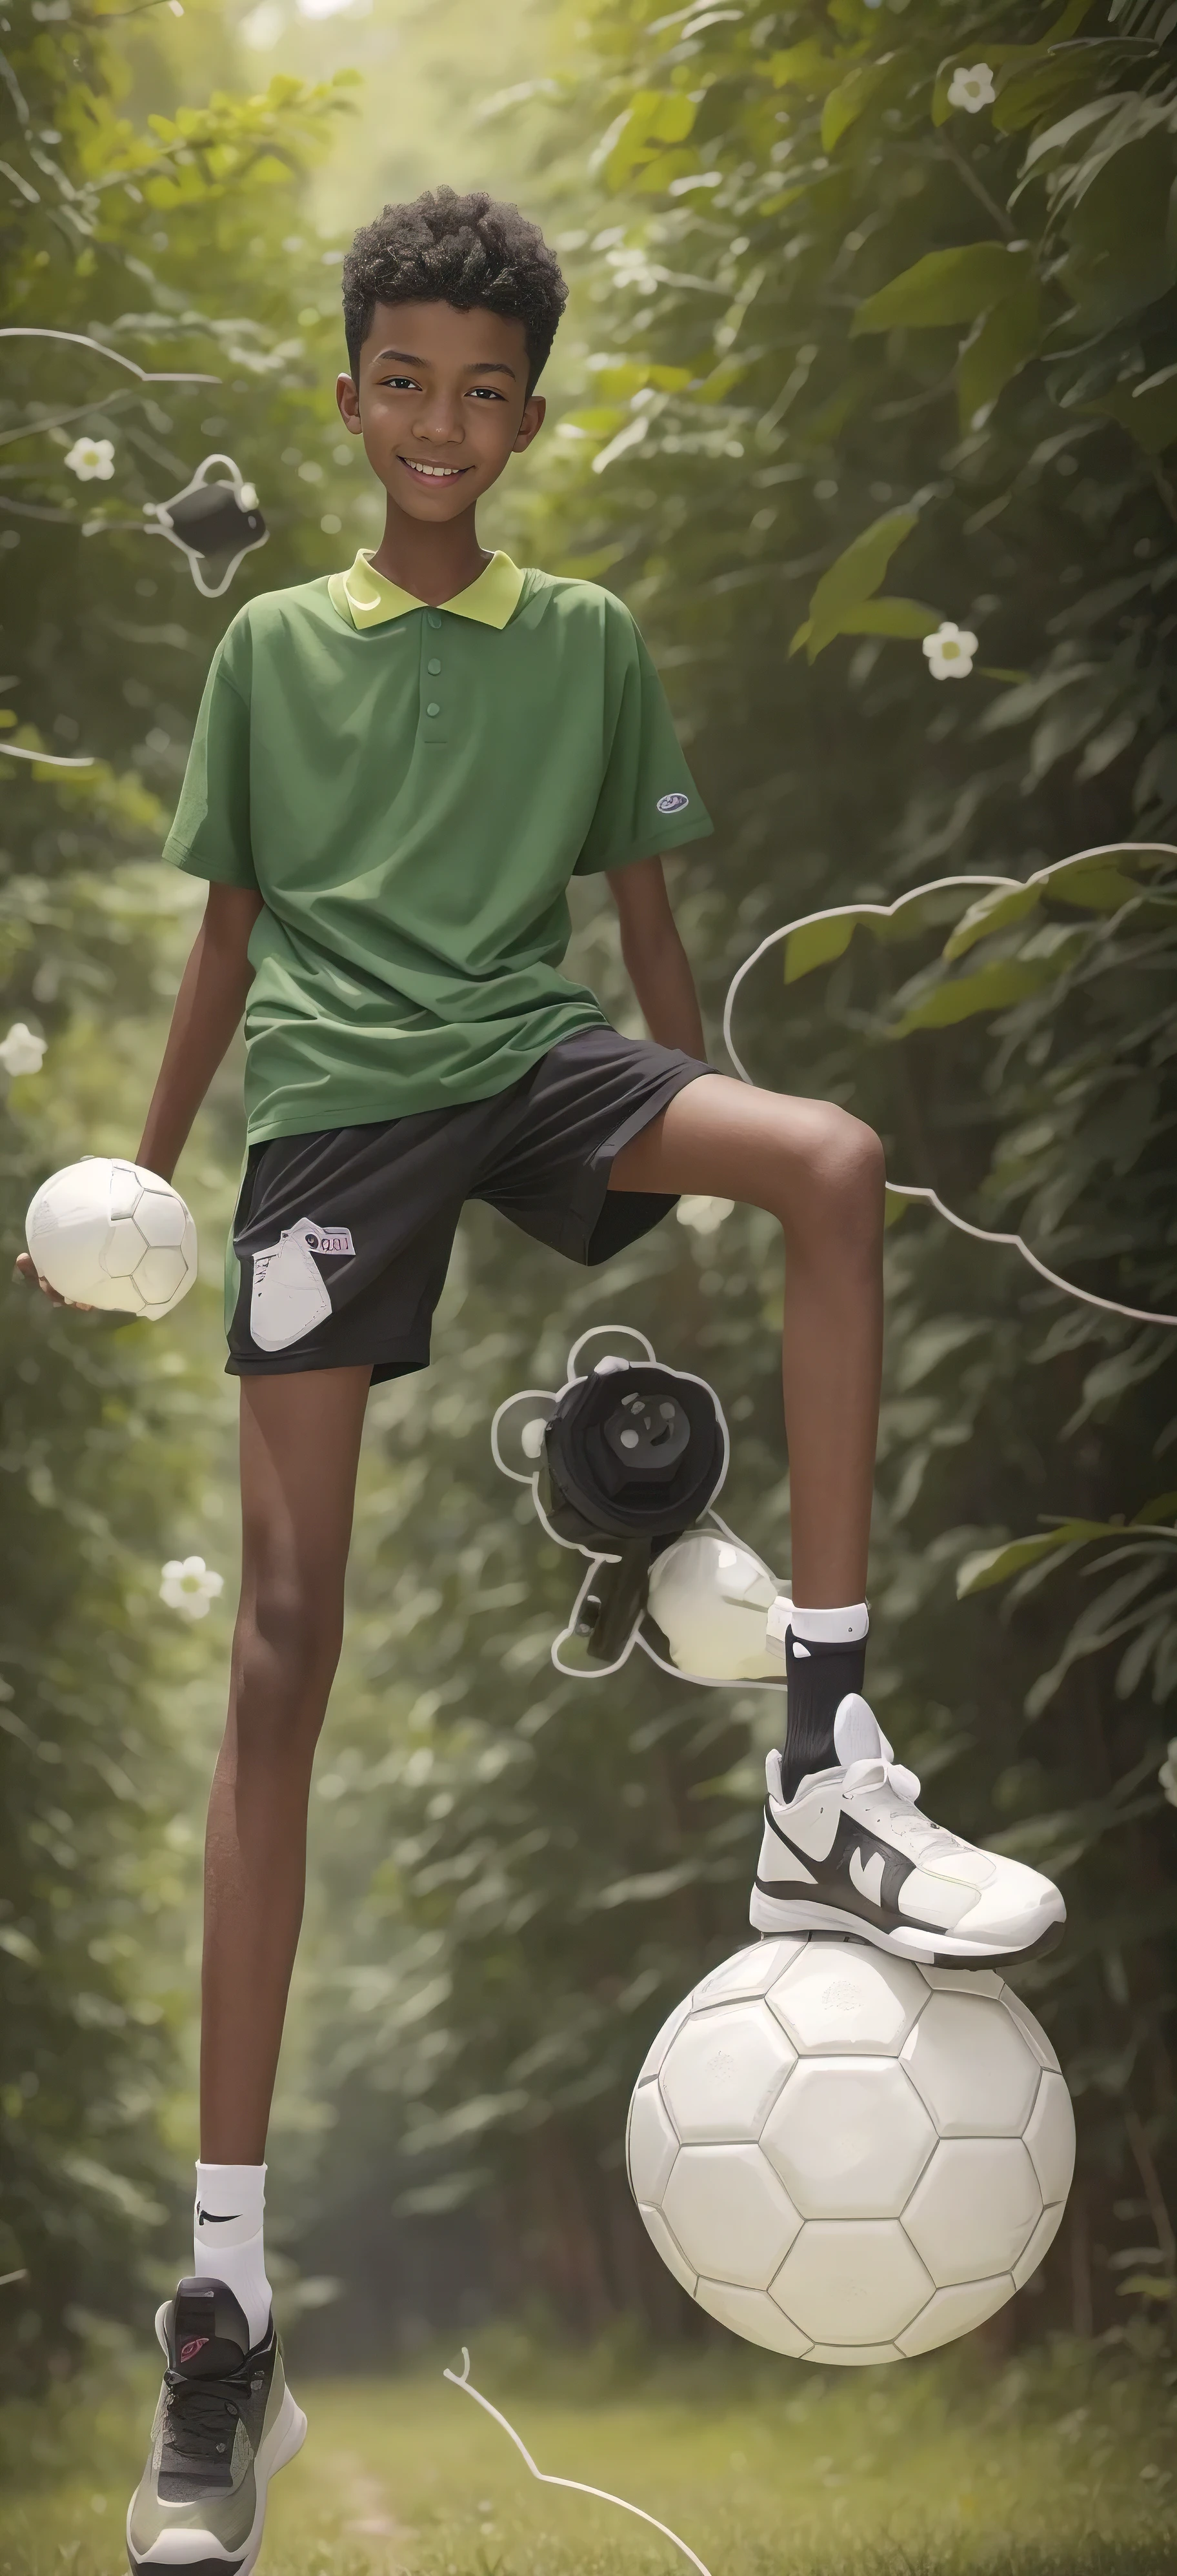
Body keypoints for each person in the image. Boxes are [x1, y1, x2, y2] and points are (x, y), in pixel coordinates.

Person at [21, 188, 1064, 2570]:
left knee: (830, 1157)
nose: (444, 427)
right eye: (405, 381)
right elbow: (233, 928)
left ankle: (829, 1761)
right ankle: (225, 2318)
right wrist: (144, 1178)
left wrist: (686, 1210)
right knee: (280, 1661)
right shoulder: (268, 647)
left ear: (531, 407)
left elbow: (654, 942)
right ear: (351, 387)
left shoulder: (586, 640)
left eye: (490, 389)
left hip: (541, 1064)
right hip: (332, 1129)